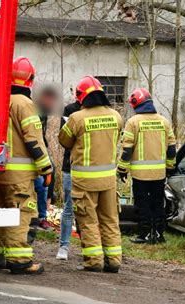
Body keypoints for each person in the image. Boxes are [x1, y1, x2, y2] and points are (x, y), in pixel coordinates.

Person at [0, 56, 53, 274]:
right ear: (30, 79)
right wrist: (47, 168)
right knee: (19, 214)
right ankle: (19, 260)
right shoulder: (25, 104)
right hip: (19, 177)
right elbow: (33, 139)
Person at [59, 76, 123, 273]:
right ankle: (113, 261)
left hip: (84, 181)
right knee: (110, 220)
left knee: (88, 221)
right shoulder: (115, 116)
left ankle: (94, 261)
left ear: (81, 97)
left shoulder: (77, 118)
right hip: (109, 181)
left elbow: (64, 141)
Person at [117, 88, 176, 244]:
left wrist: (122, 169)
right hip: (159, 174)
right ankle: (159, 234)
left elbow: (127, 150)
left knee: (142, 204)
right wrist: (170, 167)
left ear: (136, 104)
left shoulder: (133, 122)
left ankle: (144, 234)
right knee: (158, 203)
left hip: (140, 176)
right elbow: (172, 148)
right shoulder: (164, 121)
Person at [56, 98, 81, 260]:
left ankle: (90, 247)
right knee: (69, 208)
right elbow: (64, 139)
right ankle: (64, 246)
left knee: (90, 211)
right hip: (71, 166)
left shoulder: (103, 111)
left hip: (91, 169)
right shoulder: (70, 110)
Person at [34, 85, 60, 231]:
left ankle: (44, 214)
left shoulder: (44, 111)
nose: (52, 104)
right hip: (33, 151)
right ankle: (42, 216)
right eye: (51, 101)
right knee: (43, 179)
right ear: (45, 98)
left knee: (51, 173)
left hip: (41, 148)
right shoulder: (34, 110)